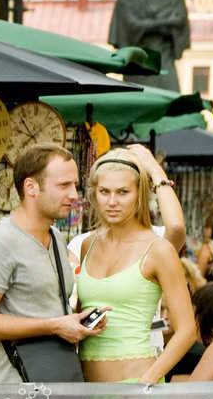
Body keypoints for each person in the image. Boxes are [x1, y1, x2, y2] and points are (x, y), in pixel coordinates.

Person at [0, 143, 97, 381]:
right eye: (64, 185)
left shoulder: (55, 236)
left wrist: (78, 320)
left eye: (75, 185)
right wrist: (54, 326)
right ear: (31, 187)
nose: (74, 195)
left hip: (57, 380)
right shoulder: (0, 243)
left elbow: (47, 305)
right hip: (17, 390)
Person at [73, 147, 195, 384]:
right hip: (86, 391)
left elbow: (187, 330)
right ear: (94, 194)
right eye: (104, 191)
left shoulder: (158, 249)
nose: (112, 202)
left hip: (136, 386)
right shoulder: (88, 244)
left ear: (139, 195)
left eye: (123, 192)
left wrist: (146, 382)